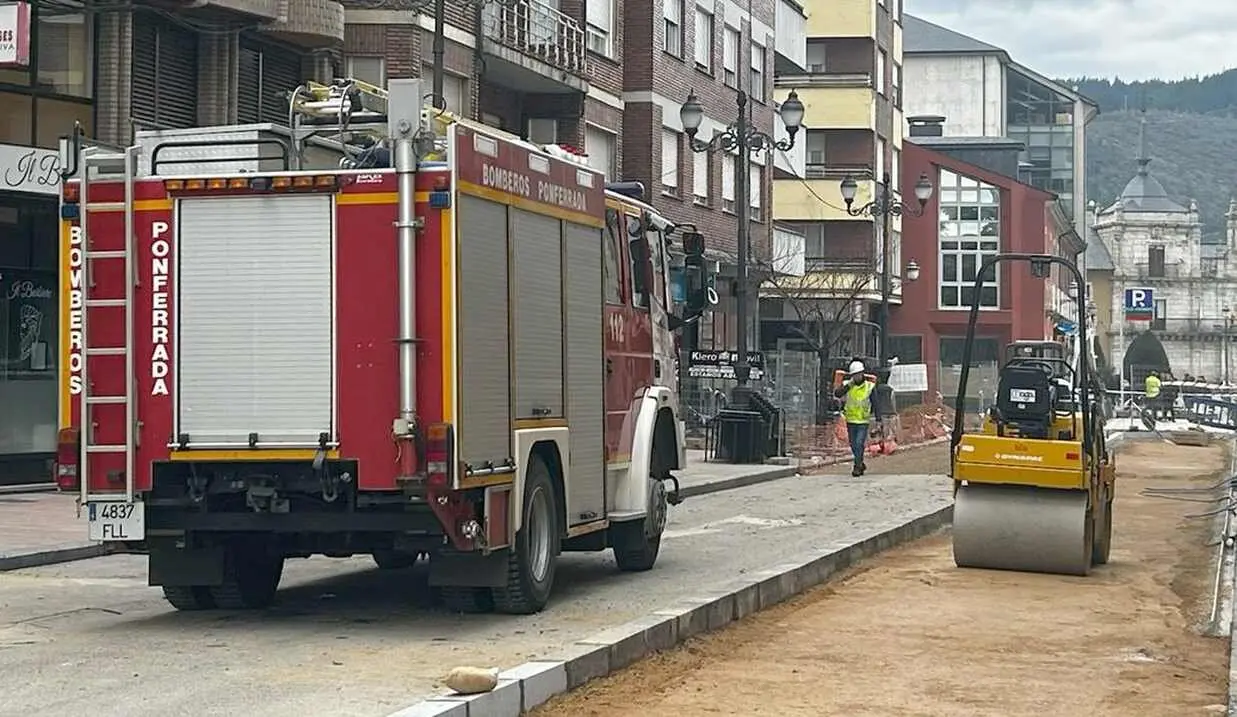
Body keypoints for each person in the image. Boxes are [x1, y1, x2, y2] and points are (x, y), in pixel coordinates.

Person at [834, 360, 875, 477]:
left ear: (862, 373)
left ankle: (857, 467)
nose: (856, 377)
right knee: (853, 444)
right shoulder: (848, 385)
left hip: (863, 420)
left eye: (858, 374)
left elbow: (875, 402)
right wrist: (848, 385)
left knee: (859, 443)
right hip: (851, 420)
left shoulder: (869, 386)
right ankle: (860, 463)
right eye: (854, 375)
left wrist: (878, 419)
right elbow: (838, 394)